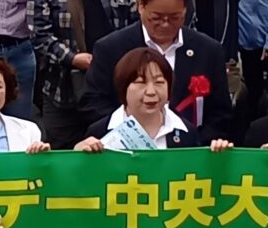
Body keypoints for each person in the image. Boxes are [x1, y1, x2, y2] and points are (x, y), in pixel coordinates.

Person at [28, 0, 138, 149]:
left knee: (113, 152)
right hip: (62, 90)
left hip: (112, 86)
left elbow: (134, 26)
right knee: (63, 156)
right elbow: (39, 35)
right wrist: (73, 58)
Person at [84, 0, 234, 144]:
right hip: (127, 148)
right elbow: (95, 104)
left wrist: (190, 144)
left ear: (185, 9)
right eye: (156, 18)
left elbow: (220, 113)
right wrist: (132, 137)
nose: (165, 24)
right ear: (141, 6)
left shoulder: (208, 50)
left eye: (175, 17)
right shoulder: (111, 48)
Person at [76, 48, 233, 151]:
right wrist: (78, 155)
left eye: (159, 82)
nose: (151, 92)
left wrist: (218, 155)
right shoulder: (100, 132)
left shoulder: (186, 132)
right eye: (140, 83)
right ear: (123, 87)